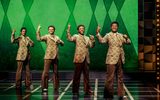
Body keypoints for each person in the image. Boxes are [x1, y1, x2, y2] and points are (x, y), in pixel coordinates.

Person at [96, 21, 131, 100]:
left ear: (117, 27)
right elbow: (102, 41)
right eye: (113, 26)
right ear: (111, 27)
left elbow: (128, 42)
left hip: (120, 58)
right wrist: (98, 33)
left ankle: (121, 94)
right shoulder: (108, 35)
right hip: (111, 58)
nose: (114, 27)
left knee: (120, 78)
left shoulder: (121, 35)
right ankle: (108, 95)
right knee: (110, 78)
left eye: (116, 26)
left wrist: (126, 37)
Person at [66, 24, 95, 96]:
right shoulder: (76, 36)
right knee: (77, 76)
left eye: (83, 28)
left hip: (86, 58)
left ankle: (87, 90)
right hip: (79, 58)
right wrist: (68, 30)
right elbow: (70, 39)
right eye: (80, 28)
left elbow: (91, 46)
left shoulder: (87, 38)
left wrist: (93, 40)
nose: (82, 29)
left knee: (87, 76)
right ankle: (75, 91)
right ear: (78, 30)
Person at [36, 25, 64, 92]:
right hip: (48, 56)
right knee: (46, 72)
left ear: (54, 30)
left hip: (55, 56)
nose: (51, 30)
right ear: (48, 30)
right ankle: (44, 87)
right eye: (50, 29)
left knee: (56, 72)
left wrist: (60, 42)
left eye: (52, 29)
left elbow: (63, 43)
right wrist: (38, 30)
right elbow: (39, 39)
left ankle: (56, 86)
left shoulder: (57, 37)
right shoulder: (46, 36)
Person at [11, 27, 34, 92]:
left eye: (25, 31)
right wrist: (13, 34)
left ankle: (28, 84)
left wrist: (30, 40)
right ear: (21, 32)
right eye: (23, 31)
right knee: (19, 71)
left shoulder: (27, 38)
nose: (24, 32)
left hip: (27, 56)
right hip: (20, 56)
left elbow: (32, 45)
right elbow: (12, 41)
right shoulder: (19, 38)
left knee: (28, 71)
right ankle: (18, 85)